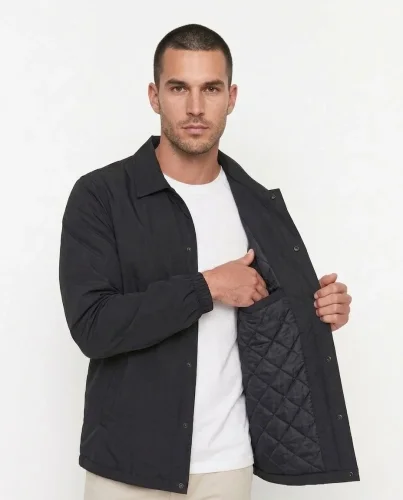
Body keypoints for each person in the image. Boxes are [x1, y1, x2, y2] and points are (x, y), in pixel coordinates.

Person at [59, 23, 359, 500]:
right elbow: (92, 327)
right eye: (179, 88)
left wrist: (323, 309)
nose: (196, 107)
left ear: (231, 98)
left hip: (228, 466)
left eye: (211, 89)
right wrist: (207, 287)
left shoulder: (257, 203)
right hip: (127, 469)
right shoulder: (101, 196)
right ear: (155, 96)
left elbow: (280, 316)